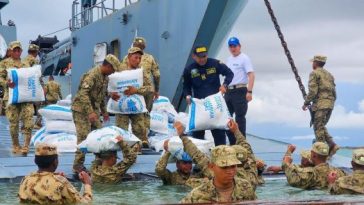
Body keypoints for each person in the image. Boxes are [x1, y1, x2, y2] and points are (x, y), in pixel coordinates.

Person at [177, 120, 260, 188]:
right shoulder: (252, 173)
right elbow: (246, 147)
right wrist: (236, 131)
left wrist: (182, 135)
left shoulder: (221, 173)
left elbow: (198, 156)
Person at [71, 54, 119, 173]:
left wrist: (104, 111)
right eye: (112, 69)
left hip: (93, 111)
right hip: (81, 110)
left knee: (100, 135)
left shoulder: (105, 78)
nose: (113, 72)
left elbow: (101, 95)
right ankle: (77, 165)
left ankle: (101, 161)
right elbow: (83, 94)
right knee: (83, 137)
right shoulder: (92, 75)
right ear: (107, 66)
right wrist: (90, 112)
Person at [183, 45, 234, 146]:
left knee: (219, 135)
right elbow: (186, 86)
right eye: (200, 57)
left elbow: (229, 74)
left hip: (215, 105)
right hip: (199, 107)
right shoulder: (189, 69)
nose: (202, 59)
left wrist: (225, 85)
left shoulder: (215, 64)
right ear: (194, 56)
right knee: (198, 138)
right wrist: (187, 96)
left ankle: (221, 157)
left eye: (204, 56)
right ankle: (200, 159)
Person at [18, 143, 92, 204]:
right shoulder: (60, 182)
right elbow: (84, 203)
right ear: (55, 162)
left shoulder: (25, 180)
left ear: (35, 161)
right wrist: (87, 184)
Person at [180, 145, 256, 203]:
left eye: (233, 166)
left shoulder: (245, 187)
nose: (230, 171)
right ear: (211, 167)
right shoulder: (198, 194)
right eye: (224, 167)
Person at [121, 37, 160, 137]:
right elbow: (157, 75)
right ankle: (144, 136)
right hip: (147, 90)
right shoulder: (150, 58)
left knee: (133, 112)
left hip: (132, 88)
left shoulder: (127, 58)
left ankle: (129, 135)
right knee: (145, 113)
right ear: (144, 47)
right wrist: (156, 90)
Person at [114, 47, 152, 148]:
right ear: (129, 57)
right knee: (121, 130)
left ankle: (136, 151)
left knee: (139, 130)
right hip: (122, 106)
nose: (138, 60)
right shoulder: (119, 70)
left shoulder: (141, 72)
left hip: (136, 105)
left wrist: (136, 90)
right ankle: (124, 152)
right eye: (136, 58)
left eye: (140, 58)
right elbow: (111, 84)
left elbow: (149, 88)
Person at [0, 41, 33, 154]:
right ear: (10, 51)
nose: (17, 52)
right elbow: (0, 77)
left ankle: (26, 146)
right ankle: (16, 145)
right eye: (15, 50)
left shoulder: (26, 64)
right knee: (13, 123)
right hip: (11, 96)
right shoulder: (4, 63)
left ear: (21, 51)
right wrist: (6, 83)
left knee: (28, 120)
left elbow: (31, 78)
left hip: (25, 97)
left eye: (19, 50)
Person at [302, 55, 339, 157]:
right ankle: (332, 144)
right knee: (320, 125)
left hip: (320, 104)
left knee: (318, 128)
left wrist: (306, 103)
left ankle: (321, 155)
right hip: (330, 104)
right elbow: (334, 93)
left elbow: (313, 91)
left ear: (315, 63)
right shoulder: (329, 75)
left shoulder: (314, 73)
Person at [224, 37, 255, 145]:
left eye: (235, 46)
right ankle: (232, 142)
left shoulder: (244, 58)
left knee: (240, 117)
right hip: (229, 90)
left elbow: (251, 74)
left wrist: (249, 91)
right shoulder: (229, 59)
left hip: (240, 90)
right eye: (231, 46)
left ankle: (242, 143)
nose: (233, 48)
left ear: (239, 46)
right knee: (226, 117)